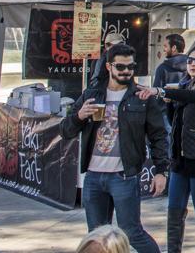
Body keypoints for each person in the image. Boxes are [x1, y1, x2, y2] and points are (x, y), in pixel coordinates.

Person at [60, 43, 169, 253]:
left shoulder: (142, 97)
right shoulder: (91, 94)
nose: (126, 71)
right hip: (93, 176)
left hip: (124, 177)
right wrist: (79, 115)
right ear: (109, 67)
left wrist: (161, 171)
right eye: (121, 67)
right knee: (97, 239)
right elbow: (65, 130)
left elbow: (159, 137)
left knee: (132, 233)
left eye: (131, 67)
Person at [138, 45, 195, 253]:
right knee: (174, 210)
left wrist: (162, 91)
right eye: (190, 61)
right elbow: (173, 118)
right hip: (180, 158)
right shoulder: (185, 84)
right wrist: (168, 101)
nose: (192, 64)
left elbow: (194, 97)